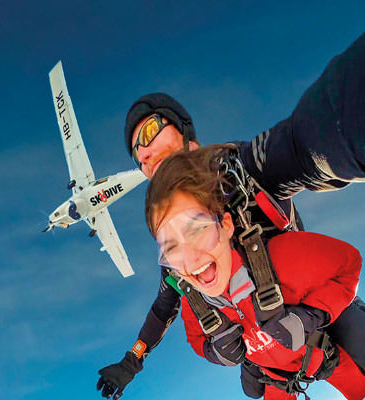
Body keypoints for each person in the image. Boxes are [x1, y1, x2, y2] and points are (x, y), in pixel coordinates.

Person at [97, 32, 365, 399]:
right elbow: (165, 307)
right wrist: (133, 360)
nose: (142, 153)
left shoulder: (241, 171)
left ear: (185, 131)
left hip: (322, 308)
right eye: (135, 153)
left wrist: (348, 125)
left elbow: (304, 144)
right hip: (266, 350)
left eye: (148, 131)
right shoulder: (179, 253)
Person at [145, 146, 365, 399]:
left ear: (225, 225)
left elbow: (348, 264)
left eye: (197, 229)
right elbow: (195, 338)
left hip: (322, 358)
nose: (190, 256)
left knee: (359, 390)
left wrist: (311, 316)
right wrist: (213, 352)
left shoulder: (279, 260)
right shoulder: (195, 303)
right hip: (274, 380)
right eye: (171, 247)